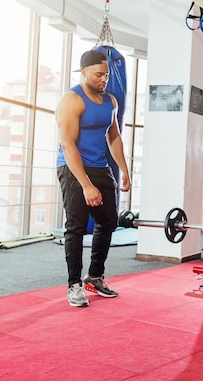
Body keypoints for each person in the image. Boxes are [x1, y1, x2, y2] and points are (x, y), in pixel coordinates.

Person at [56, 49, 131, 307]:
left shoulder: (110, 101)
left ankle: (95, 276)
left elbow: (114, 136)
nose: (104, 79)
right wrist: (86, 185)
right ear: (84, 71)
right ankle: (74, 285)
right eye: (99, 74)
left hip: (100, 167)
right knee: (76, 226)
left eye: (107, 75)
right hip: (73, 166)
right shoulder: (71, 100)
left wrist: (124, 170)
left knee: (109, 221)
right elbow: (67, 145)